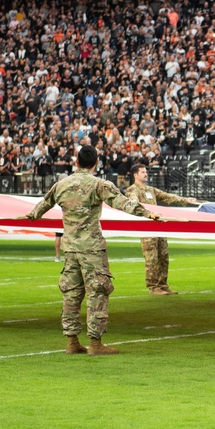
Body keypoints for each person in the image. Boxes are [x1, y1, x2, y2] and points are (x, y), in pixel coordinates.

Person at [20, 145, 165, 355]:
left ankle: (71, 342)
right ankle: (95, 344)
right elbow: (123, 203)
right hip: (92, 249)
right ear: (96, 163)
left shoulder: (62, 185)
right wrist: (150, 214)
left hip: (70, 248)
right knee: (97, 293)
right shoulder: (99, 184)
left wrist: (31, 215)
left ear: (76, 162)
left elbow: (41, 206)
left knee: (71, 295)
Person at [125, 164, 200, 295]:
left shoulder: (150, 190)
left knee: (164, 256)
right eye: (143, 172)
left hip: (159, 227)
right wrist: (134, 199)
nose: (146, 174)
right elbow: (132, 198)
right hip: (147, 228)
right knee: (151, 258)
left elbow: (167, 196)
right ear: (135, 175)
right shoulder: (133, 189)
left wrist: (185, 200)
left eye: (146, 171)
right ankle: (153, 287)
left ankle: (163, 284)